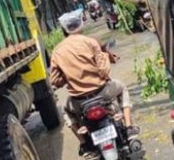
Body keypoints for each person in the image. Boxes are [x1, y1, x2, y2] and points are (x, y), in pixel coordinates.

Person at [50, 12, 138, 159]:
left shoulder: (57, 51)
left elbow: (55, 81)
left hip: (79, 101)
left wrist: (70, 75)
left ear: (64, 30)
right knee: (122, 88)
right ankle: (129, 128)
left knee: (66, 111)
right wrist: (104, 57)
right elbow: (104, 71)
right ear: (81, 24)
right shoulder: (91, 42)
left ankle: (85, 145)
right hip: (103, 92)